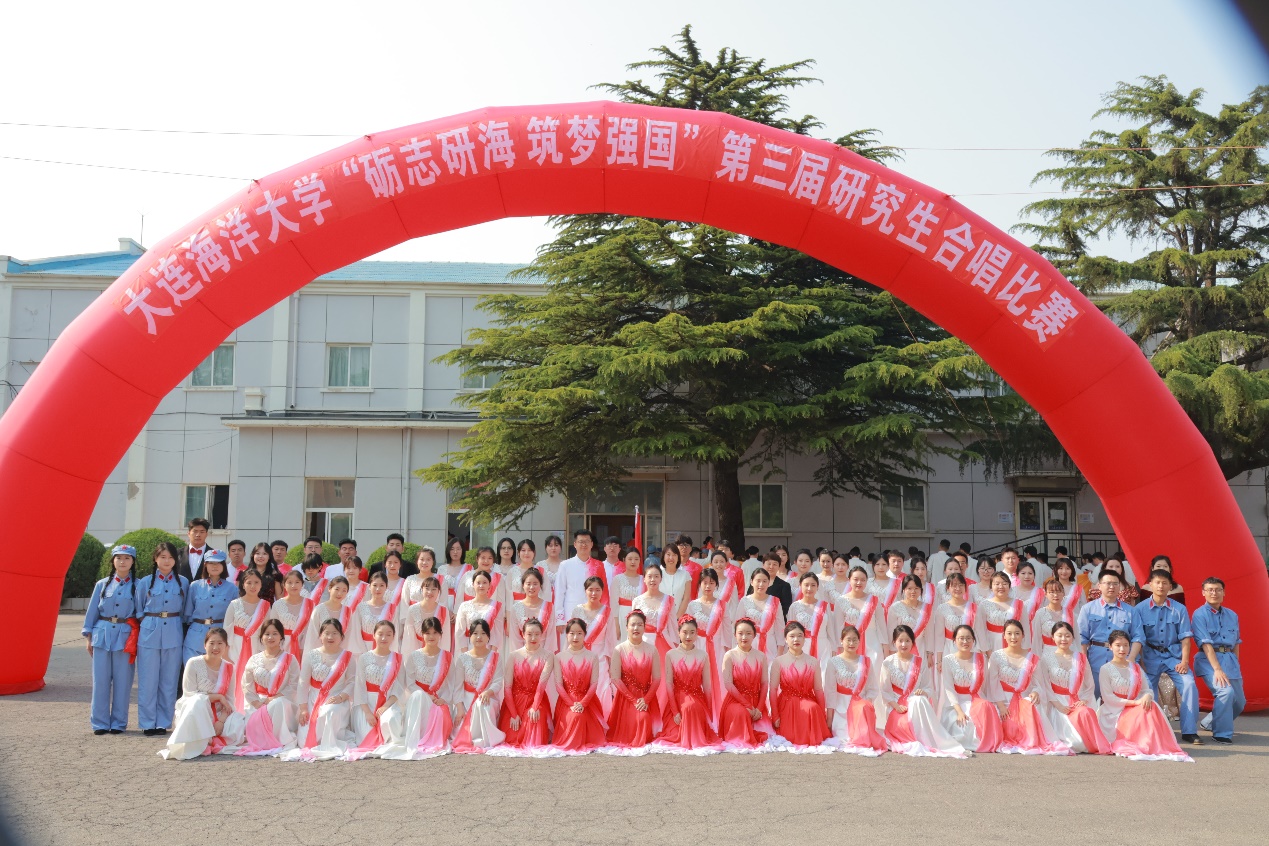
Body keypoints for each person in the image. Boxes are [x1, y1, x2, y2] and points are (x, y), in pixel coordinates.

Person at [1096, 629, 1192, 762]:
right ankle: (1145, 743)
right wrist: (1135, 703)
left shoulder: (1135, 667)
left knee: (1151, 705)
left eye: (1125, 645)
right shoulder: (1105, 669)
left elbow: (1146, 689)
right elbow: (1108, 698)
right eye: (1118, 645)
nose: (1122, 649)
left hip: (1133, 708)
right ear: (1110, 647)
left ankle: (1153, 744)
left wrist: (1147, 696)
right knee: (1143, 709)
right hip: (1114, 711)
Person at [1134, 568, 1201, 745]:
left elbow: (1185, 637)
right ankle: (1153, 729)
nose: (1161, 586)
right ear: (1150, 585)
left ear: (1170, 586)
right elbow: (1138, 637)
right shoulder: (1140, 609)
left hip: (1174, 657)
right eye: (1157, 582)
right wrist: (1141, 661)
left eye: (1165, 583)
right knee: (1147, 690)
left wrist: (1184, 661)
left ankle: (1189, 731)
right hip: (1149, 656)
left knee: (1189, 685)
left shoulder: (1179, 609)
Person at [880, 624, 967, 758]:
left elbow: (928, 688)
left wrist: (923, 692)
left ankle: (929, 740)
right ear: (894, 642)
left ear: (913, 642)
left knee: (919, 700)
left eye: (907, 641)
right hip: (896, 704)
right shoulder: (888, 662)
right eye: (900, 641)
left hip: (916, 704)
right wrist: (896, 706)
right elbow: (885, 691)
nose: (904, 644)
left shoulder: (920, 662)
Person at [987, 619, 1071, 756]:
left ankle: (1030, 740)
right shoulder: (996, 656)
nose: (1013, 637)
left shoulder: (1032, 658)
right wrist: (1001, 705)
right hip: (1001, 699)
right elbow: (993, 683)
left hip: (1023, 698)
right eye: (1009, 633)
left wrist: (1036, 692)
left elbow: (1039, 684)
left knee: (1030, 704)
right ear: (1004, 635)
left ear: (1023, 635)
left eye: (1017, 633)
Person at [380, 616, 459, 760]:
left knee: (425, 701)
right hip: (419, 700)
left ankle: (424, 738)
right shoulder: (414, 656)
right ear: (422, 634)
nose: (431, 636)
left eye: (435, 633)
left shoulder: (447, 657)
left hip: (439, 701)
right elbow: (409, 683)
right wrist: (426, 696)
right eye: (427, 633)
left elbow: (452, 683)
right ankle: (413, 739)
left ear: (441, 634)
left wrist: (444, 699)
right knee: (418, 696)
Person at [84, 544, 139, 735]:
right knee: (100, 681)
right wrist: (88, 636)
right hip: (102, 634)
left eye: (127, 558)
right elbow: (92, 611)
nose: (122, 562)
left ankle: (118, 722)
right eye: (119, 558)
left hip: (125, 636)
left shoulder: (138, 585)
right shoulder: (102, 584)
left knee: (123, 682)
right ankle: (99, 722)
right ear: (113, 561)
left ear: (133, 562)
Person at [135, 541, 189, 736]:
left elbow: (185, 610)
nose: (167, 561)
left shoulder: (183, 582)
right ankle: (147, 722)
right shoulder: (144, 582)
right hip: (149, 633)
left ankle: (163, 723)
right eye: (163, 557)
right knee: (148, 681)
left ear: (176, 560)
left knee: (169, 681)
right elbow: (138, 609)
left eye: (170, 557)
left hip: (173, 633)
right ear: (155, 559)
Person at [158, 627, 236, 760]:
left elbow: (229, 700)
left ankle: (210, 738)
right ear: (205, 645)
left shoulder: (229, 667)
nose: (215, 647)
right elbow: (189, 694)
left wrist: (221, 721)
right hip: (194, 711)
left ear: (226, 647)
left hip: (219, 713)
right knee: (198, 701)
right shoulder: (193, 663)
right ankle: (200, 741)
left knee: (238, 725)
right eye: (211, 643)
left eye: (220, 643)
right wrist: (217, 697)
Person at [282, 618, 355, 762]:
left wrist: (341, 697)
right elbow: (303, 683)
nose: (330, 637)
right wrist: (303, 708)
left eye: (335, 633)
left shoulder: (348, 657)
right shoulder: (311, 655)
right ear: (320, 636)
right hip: (313, 699)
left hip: (337, 699)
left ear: (341, 637)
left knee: (329, 711)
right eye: (326, 633)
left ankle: (330, 742)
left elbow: (352, 681)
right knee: (304, 742)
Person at [1037, 622, 1110, 755]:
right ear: (1053, 637)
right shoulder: (1046, 658)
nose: (1063, 639)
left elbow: (1089, 684)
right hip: (1055, 702)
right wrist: (1058, 705)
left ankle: (1092, 743)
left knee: (1086, 712)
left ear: (1073, 637)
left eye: (1067, 635)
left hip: (1076, 700)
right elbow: (1045, 685)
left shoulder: (1081, 658)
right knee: (1071, 739)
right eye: (1059, 635)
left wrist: (1084, 700)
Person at [654, 616, 723, 752]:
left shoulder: (703, 655)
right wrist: (675, 711)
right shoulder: (671, 654)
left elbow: (707, 686)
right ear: (679, 633)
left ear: (697, 634)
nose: (688, 636)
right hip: (676, 699)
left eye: (692, 632)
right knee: (686, 710)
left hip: (697, 698)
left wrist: (708, 711)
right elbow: (669, 684)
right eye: (685, 632)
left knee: (691, 707)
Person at [231, 618, 299, 756]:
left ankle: (280, 739)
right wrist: (257, 703)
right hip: (258, 702)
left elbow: (294, 685)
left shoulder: (290, 659)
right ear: (261, 637)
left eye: (275, 633)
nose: (270, 637)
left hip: (282, 702)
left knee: (278, 704)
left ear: (281, 636)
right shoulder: (254, 659)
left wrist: (274, 698)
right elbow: (247, 685)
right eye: (267, 634)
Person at [1192, 576, 1245, 744]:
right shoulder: (1199, 614)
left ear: (1224, 592)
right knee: (1225, 692)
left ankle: (1209, 722)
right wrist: (1217, 669)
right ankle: (1222, 733)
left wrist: (1236, 662)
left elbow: (1236, 642)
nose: (1214, 593)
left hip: (1229, 659)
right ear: (1203, 593)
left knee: (1240, 702)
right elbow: (1206, 644)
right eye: (1210, 590)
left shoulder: (1232, 615)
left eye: (1218, 590)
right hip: (1208, 660)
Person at [1076, 569, 1144, 699]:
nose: (1111, 587)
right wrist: (1084, 662)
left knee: (1124, 697)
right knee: (1095, 697)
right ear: (1099, 586)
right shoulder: (1088, 609)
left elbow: (1138, 637)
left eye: (1115, 583)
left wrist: (1131, 658)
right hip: (1096, 659)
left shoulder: (1130, 611)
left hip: (1123, 659)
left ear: (1120, 586)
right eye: (1107, 583)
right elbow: (1081, 637)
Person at [345, 620, 405, 760]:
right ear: (374, 635)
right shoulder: (364, 658)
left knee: (390, 720)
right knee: (365, 739)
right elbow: (359, 687)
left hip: (388, 702)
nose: (384, 638)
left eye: (388, 634)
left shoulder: (398, 659)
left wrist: (385, 706)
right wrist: (367, 712)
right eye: (380, 634)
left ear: (393, 637)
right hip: (366, 704)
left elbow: (400, 686)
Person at [823, 624, 886, 756]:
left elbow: (873, 688)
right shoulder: (833, 662)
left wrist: (865, 703)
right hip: (841, 708)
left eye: (855, 640)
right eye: (848, 640)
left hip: (861, 705)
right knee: (843, 739)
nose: (851, 643)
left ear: (859, 641)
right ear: (841, 641)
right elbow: (830, 691)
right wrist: (829, 718)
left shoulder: (866, 661)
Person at [938, 625, 1001, 753]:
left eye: (968, 638)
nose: (965, 641)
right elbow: (949, 689)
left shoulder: (981, 658)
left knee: (987, 709)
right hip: (956, 702)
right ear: (954, 640)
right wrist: (959, 711)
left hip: (977, 699)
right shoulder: (948, 660)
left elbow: (984, 685)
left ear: (973, 640)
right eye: (961, 638)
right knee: (962, 726)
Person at [607, 609, 663, 750]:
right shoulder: (619, 649)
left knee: (644, 720)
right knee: (640, 720)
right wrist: (633, 700)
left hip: (646, 698)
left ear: (645, 627)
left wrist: (646, 700)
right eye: (632, 625)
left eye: (639, 624)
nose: (636, 628)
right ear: (626, 627)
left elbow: (657, 678)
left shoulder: (652, 650)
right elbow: (615, 678)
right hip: (626, 698)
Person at [770, 621, 831, 749]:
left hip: (808, 700)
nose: (796, 639)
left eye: (800, 636)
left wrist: (822, 714)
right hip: (787, 703)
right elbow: (773, 690)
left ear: (804, 639)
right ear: (786, 639)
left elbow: (818, 690)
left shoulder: (813, 661)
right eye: (792, 636)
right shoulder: (778, 661)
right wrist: (775, 714)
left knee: (812, 708)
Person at [550, 617, 607, 753]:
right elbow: (558, 685)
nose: (575, 637)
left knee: (580, 716)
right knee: (575, 716)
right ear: (566, 635)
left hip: (588, 702)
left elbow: (594, 684)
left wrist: (582, 703)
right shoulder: (559, 657)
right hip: (566, 701)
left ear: (585, 634)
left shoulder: (592, 657)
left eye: (579, 633)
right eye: (572, 633)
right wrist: (571, 704)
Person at [498, 617, 554, 751]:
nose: (533, 638)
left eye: (537, 634)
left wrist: (535, 707)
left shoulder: (548, 656)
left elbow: (541, 686)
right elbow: (507, 688)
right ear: (523, 635)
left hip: (537, 700)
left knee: (534, 727)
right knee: (511, 738)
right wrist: (513, 714)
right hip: (515, 701)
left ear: (542, 635)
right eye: (529, 634)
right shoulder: (513, 656)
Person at [452, 618, 506, 753]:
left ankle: (486, 739)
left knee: (482, 705)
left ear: (488, 637)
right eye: (475, 633)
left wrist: (488, 692)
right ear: (470, 636)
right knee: (459, 730)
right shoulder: (462, 658)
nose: (479, 637)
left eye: (483, 633)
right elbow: (457, 687)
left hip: (488, 699)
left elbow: (498, 681)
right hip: (466, 700)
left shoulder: (496, 657)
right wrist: (459, 708)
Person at [716, 617, 771, 749]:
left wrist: (759, 708)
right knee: (742, 713)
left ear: (754, 635)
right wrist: (747, 705)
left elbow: (764, 683)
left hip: (756, 702)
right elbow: (728, 684)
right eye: (740, 633)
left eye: (748, 633)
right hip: (736, 700)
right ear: (735, 635)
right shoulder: (730, 655)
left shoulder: (761, 656)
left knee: (767, 732)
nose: (744, 637)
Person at [223, 569, 271, 711]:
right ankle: (232, 712)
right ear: (243, 584)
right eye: (249, 582)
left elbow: (267, 630)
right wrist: (225, 654)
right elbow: (226, 629)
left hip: (257, 647)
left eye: (256, 582)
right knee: (234, 679)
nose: (253, 586)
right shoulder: (234, 604)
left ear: (261, 584)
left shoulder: (265, 606)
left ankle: (251, 713)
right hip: (235, 647)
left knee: (253, 678)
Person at [686, 568, 731, 720]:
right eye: (705, 583)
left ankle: (718, 713)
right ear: (699, 584)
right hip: (697, 645)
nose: (708, 586)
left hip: (717, 647)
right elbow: (687, 628)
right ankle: (699, 713)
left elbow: (727, 629)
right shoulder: (692, 605)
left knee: (718, 678)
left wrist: (727, 650)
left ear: (716, 585)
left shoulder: (722, 605)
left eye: (711, 583)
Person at [552, 530, 614, 638]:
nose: (584, 544)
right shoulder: (565, 565)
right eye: (581, 541)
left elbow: (604, 592)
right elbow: (559, 592)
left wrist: (605, 614)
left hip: (594, 613)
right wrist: (560, 619)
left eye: (587, 541)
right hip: (570, 612)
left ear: (591, 544)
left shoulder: (598, 565)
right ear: (575, 544)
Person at [572, 575, 617, 715]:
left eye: (597, 590)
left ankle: (602, 720)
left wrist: (611, 664)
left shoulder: (607, 612)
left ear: (602, 591)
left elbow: (611, 640)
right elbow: (571, 635)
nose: (594, 593)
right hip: (580, 656)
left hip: (600, 657)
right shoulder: (577, 610)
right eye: (590, 589)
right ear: (585, 591)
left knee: (601, 688)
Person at [632, 563, 678, 684]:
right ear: (644, 579)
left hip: (664, 641)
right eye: (650, 576)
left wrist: (676, 647)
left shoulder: (668, 600)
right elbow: (633, 625)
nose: (653, 579)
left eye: (656, 576)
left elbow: (673, 626)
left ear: (661, 579)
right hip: (643, 642)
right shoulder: (637, 601)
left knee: (663, 677)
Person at [837, 566, 886, 665]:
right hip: (850, 645)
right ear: (849, 580)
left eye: (863, 580)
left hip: (872, 645)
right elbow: (838, 628)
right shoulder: (841, 601)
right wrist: (839, 648)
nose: (859, 583)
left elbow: (882, 627)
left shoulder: (874, 600)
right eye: (856, 579)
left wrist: (886, 649)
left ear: (867, 581)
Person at [785, 573, 837, 663]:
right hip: (802, 647)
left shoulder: (824, 605)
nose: (809, 588)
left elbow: (830, 629)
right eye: (806, 585)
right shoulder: (794, 606)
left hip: (823, 647)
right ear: (800, 585)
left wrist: (833, 649)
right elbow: (789, 631)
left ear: (817, 587)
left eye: (813, 585)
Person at [886, 575, 935, 670]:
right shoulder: (895, 607)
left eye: (916, 588)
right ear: (904, 589)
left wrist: (929, 653)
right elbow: (891, 632)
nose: (913, 591)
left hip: (920, 649)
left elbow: (930, 633)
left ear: (921, 590)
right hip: (901, 648)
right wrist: (892, 652)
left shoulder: (927, 608)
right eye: (909, 588)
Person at [737, 566, 785, 663]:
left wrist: (780, 651)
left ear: (769, 583)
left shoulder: (775, 601)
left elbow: (780, 628)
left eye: (764, 581)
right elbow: (737, 625)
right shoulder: (745, 601)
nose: (761, 584)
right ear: (752, 582)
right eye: (758, 581)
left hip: (770, 645)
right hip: (749, 644)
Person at [454, 570, 506, 653]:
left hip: (488, 649)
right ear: (473, 585)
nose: (481, 586)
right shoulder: (464, 606)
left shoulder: (496, 606)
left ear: (489, 585)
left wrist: (492, 654)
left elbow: (498, 633)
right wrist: (465, 654)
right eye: (478, 583)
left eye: (484, 583)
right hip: (469, 648)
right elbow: (459, 631)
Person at [974, 572, 1026, 654]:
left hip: (1014, 643)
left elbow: (1025, 628)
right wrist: (986, 650)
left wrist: (1024, 649)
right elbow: (980, 629)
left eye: (1004, 583)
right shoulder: (984, 604)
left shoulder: (1019, 604)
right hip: (992, 644)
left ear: (1009, 586)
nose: (1001, 587)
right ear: (991, 587)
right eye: (997, 584)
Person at [933, 573, 975, 672]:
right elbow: (939, 637)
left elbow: (977, 633)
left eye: (961, 585)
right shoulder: (942, 608)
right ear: (948, 588)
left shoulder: (973, 607)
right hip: (949, 649)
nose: (958, 588)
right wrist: (939, 660)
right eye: (954, 585)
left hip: (969, 648)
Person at [266, 570, 310, 660]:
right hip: (282, 646)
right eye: (290, 582)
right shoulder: (278, 605)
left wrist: (302, 647)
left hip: (305, 646)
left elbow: (311, 628)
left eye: (297, 582)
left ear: (302, 584)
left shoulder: (310, 604)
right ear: (284, 585)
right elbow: (273, 628)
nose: (293, 585)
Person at [403, 576, 453, 655]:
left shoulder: (443, 610)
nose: (430, 592)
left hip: (437, 653)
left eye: (434, 589)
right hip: (416, 651)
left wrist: (442, 657)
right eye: (427, 588)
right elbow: (409, 637)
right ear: (422, 589)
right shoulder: (412, 609)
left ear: (438, 592)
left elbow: (445, 638)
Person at [509, 567, 553, 653]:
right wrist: (520, 657)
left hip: (544, 654)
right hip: (523, 655)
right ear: (523, 585)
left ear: (540, 585)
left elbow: (551, 636)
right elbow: (514, 639)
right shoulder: (516, 608)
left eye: (535, 584)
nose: (532, 587)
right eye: (528, 584)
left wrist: (546, 656)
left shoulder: (549, 606)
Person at [302, 576, 351, 652]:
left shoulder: (348, 611)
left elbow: (348, 637)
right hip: (320, 653)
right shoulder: (319, 609)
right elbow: (312, 636)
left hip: (340, 654)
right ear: (329, 589)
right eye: (337, 589)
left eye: (344, 591)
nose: (339, 593)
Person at [1030, 578, 1075, 656]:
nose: (1055, 595)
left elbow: (1076, 638)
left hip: (1068, 653)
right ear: (1046, 594)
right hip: (1048, 653)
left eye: (1058, 591)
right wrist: (1037, 658)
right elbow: (1036, 639)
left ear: (1063, 593)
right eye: (1052, 592)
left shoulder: (1070, 613)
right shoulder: (1040, 613)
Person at [746, 552, 793, 617]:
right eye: (769, 563)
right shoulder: (755, 582)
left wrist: (767, 616)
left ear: (779, 566)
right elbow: (748, 600)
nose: (771, 567)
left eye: (775, 564)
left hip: (775, 619)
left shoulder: (784, 586)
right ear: (763, 565)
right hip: (753, 618)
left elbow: (785, 608)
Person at [612, 545, 646, 634]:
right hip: (623, 615)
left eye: (636, 559)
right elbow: (614, 604)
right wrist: (616, 625)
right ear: (624, 560)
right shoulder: (618, 579)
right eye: (630, 559)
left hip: (640, 616)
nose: (633, 562)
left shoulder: (644, 579)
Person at [657, 542, 693, 621]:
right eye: (668, 554)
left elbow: (686, 598)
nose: (671, 558)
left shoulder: (685, 575)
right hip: (659, 618)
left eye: (674, 555)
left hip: (679, 619)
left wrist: (677, 617)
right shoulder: (657, 574)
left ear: (678, 557)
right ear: (663, 557)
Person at [176, 518, 211, 582]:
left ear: (206, 534)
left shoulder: (213, 554)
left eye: (202, 532)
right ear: (188, 534)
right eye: (195, 531)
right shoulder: (177, 553)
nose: (198, 535)